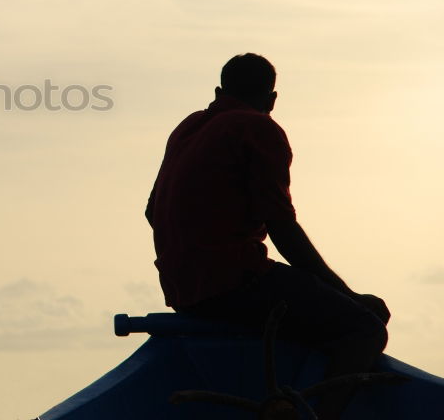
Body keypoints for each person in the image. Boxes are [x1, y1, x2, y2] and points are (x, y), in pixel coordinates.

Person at [145, 53, 390, 419]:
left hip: (183, 290)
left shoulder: (188, 128)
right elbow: (282, 228)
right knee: (364, 327)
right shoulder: (257, 128)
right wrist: (347, 295)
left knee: (314, 308)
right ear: (272, 100)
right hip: (234, 283)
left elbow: (152, 211)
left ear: (218, 91)